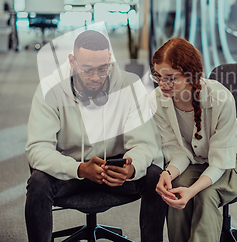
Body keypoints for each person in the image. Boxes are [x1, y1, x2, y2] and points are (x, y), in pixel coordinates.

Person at [25, 29, 166, 242]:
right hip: (71, 170)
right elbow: (37, 149)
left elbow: (145, 144)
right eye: (87, 70)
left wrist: (132, 167)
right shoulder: (50, 90)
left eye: (103, 69)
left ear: (110, 59)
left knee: (155, 176)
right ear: (72, 61)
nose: (96, 78)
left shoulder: (129, 85)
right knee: (38, 183)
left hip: (114, 171)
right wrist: (80, 169)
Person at [149, 37, 237, 242]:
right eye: (157, 76)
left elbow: (219, 161)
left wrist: (192, 190)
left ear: (191, 76)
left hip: (232, 156)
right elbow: (178, 151)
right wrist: (167, 173)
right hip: (195, 158)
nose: (162, 84)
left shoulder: (220, 98)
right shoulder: (157, 100)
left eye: (170, 78)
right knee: (174, 190)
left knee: (205, 195)